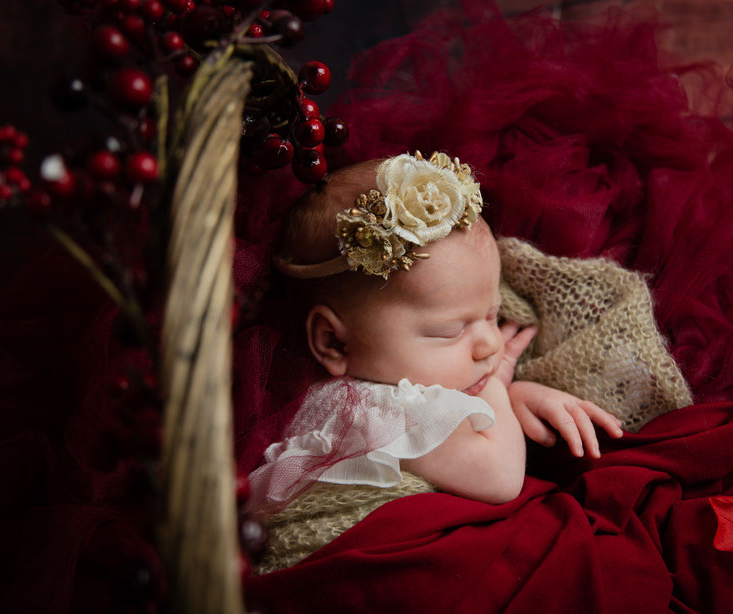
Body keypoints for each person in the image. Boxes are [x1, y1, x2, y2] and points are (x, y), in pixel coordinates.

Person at [248, 151, 623, 511]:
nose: (491, 345)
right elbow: (501, 477)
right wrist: (500, 386)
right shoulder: (372, 411)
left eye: (492, 314)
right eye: (449, 331)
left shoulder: (358, 389)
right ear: (333, 341)